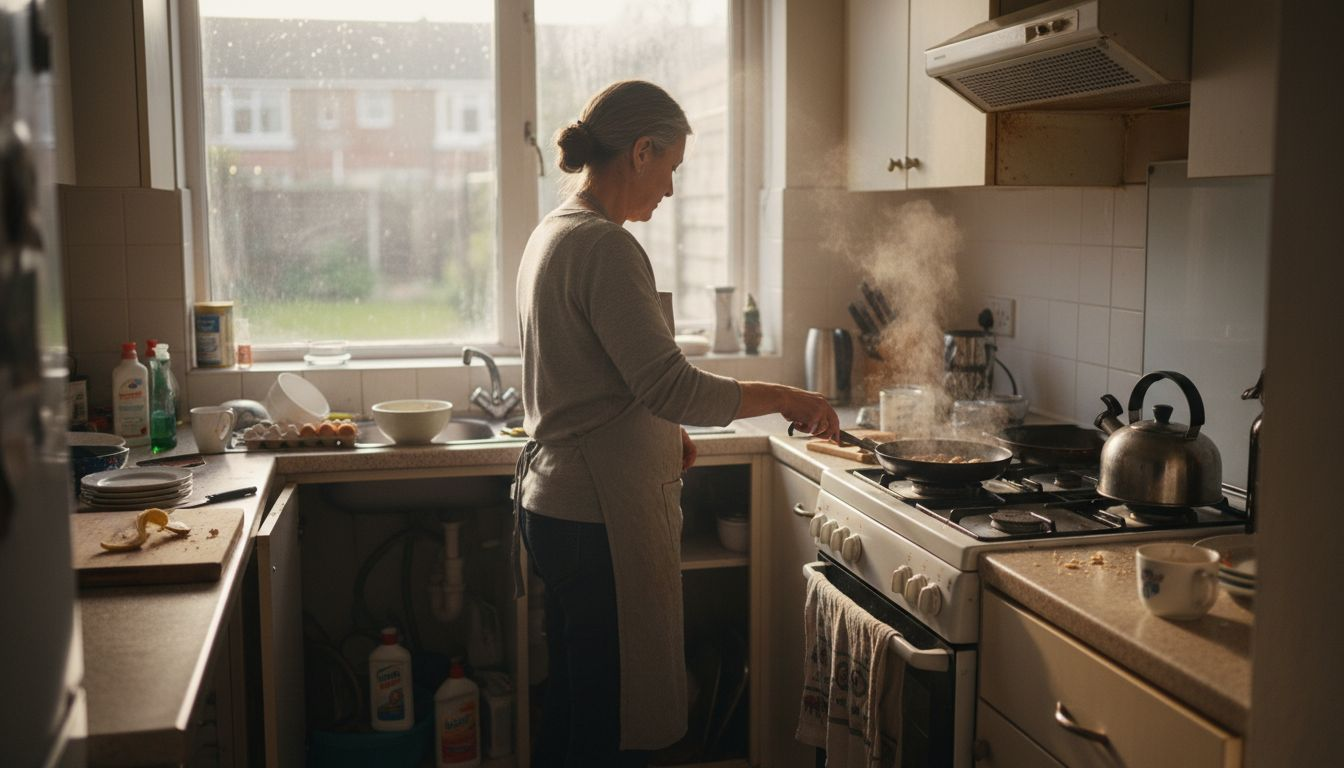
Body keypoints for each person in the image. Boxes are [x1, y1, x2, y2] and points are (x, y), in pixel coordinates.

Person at [515, 80, 839, 767]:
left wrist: (662, 436)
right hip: (597, 516)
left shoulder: (554, 231)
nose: (669, 190)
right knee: (609, 726)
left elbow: (594, 381)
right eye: (670, 169)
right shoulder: (603, 246)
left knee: (576, 705)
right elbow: (670, 385)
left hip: (560, 506)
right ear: (641, 152)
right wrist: (788, 396)